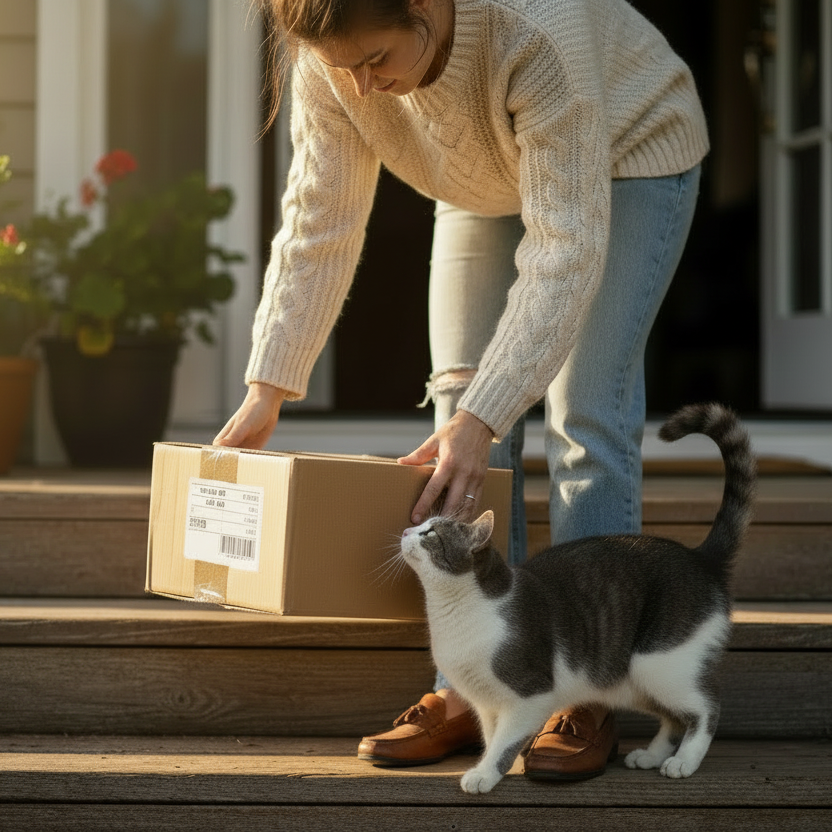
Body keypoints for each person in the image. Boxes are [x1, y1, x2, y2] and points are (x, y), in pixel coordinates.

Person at [216, 0, 708, 780]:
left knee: (585, 410)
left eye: (376, 60)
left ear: (423, 7)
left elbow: (564, 248)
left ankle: (586, 690)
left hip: (627, 151)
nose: (364, 86)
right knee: (456, 408)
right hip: (482, 181)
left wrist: (488, 413)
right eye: (344, 68)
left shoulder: (535, 34)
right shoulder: (335, 67)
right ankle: (473, 688)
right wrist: (267, 388)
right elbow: (319, 221)